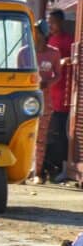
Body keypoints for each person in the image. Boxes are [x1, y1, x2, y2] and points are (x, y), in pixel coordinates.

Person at [18, 21, 60, 182]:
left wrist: (48, 83)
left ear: (44, 34)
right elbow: (18, 77)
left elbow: (58, 74)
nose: (34, 34)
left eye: (37, 32)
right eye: (32, 31)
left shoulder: (54, 53)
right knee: (24, 136)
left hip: (44, 101)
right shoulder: (23, 53)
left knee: (40, 138)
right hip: (25, 102)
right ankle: (21, 172)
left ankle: (37, 172)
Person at [46, 9, 74, 182]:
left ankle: (64, 168)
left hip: (63, 95)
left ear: (61, 23)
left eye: (53, 22)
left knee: (62, 134)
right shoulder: (47, 41)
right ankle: (45, 168)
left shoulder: (68, 41)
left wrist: (64, 61)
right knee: (48, 134)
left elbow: (73, 60)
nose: (51, 26)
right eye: (49, 22)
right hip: (49, 95)